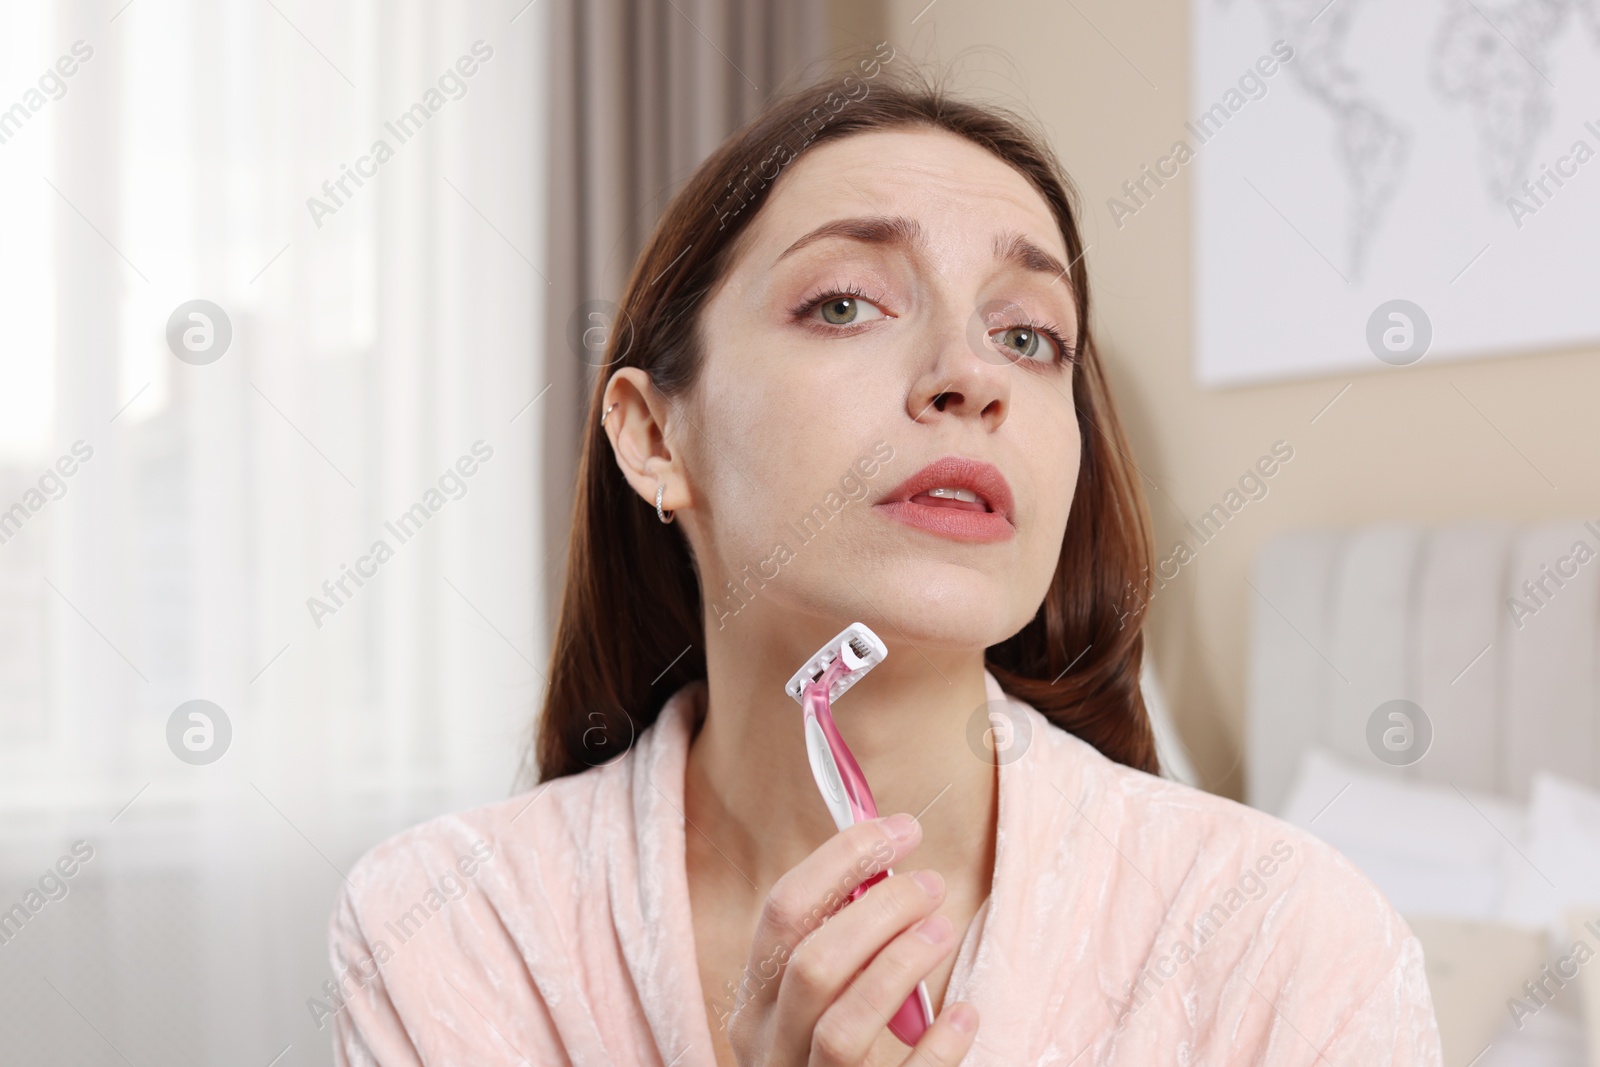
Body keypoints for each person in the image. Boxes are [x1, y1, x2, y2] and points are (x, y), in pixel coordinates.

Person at [326, 61, 1443, 1066]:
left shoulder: (1289, 935)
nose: (969, 374)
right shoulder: (448, 925)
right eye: (845, 303)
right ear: (655, 436)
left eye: (1027, 334)